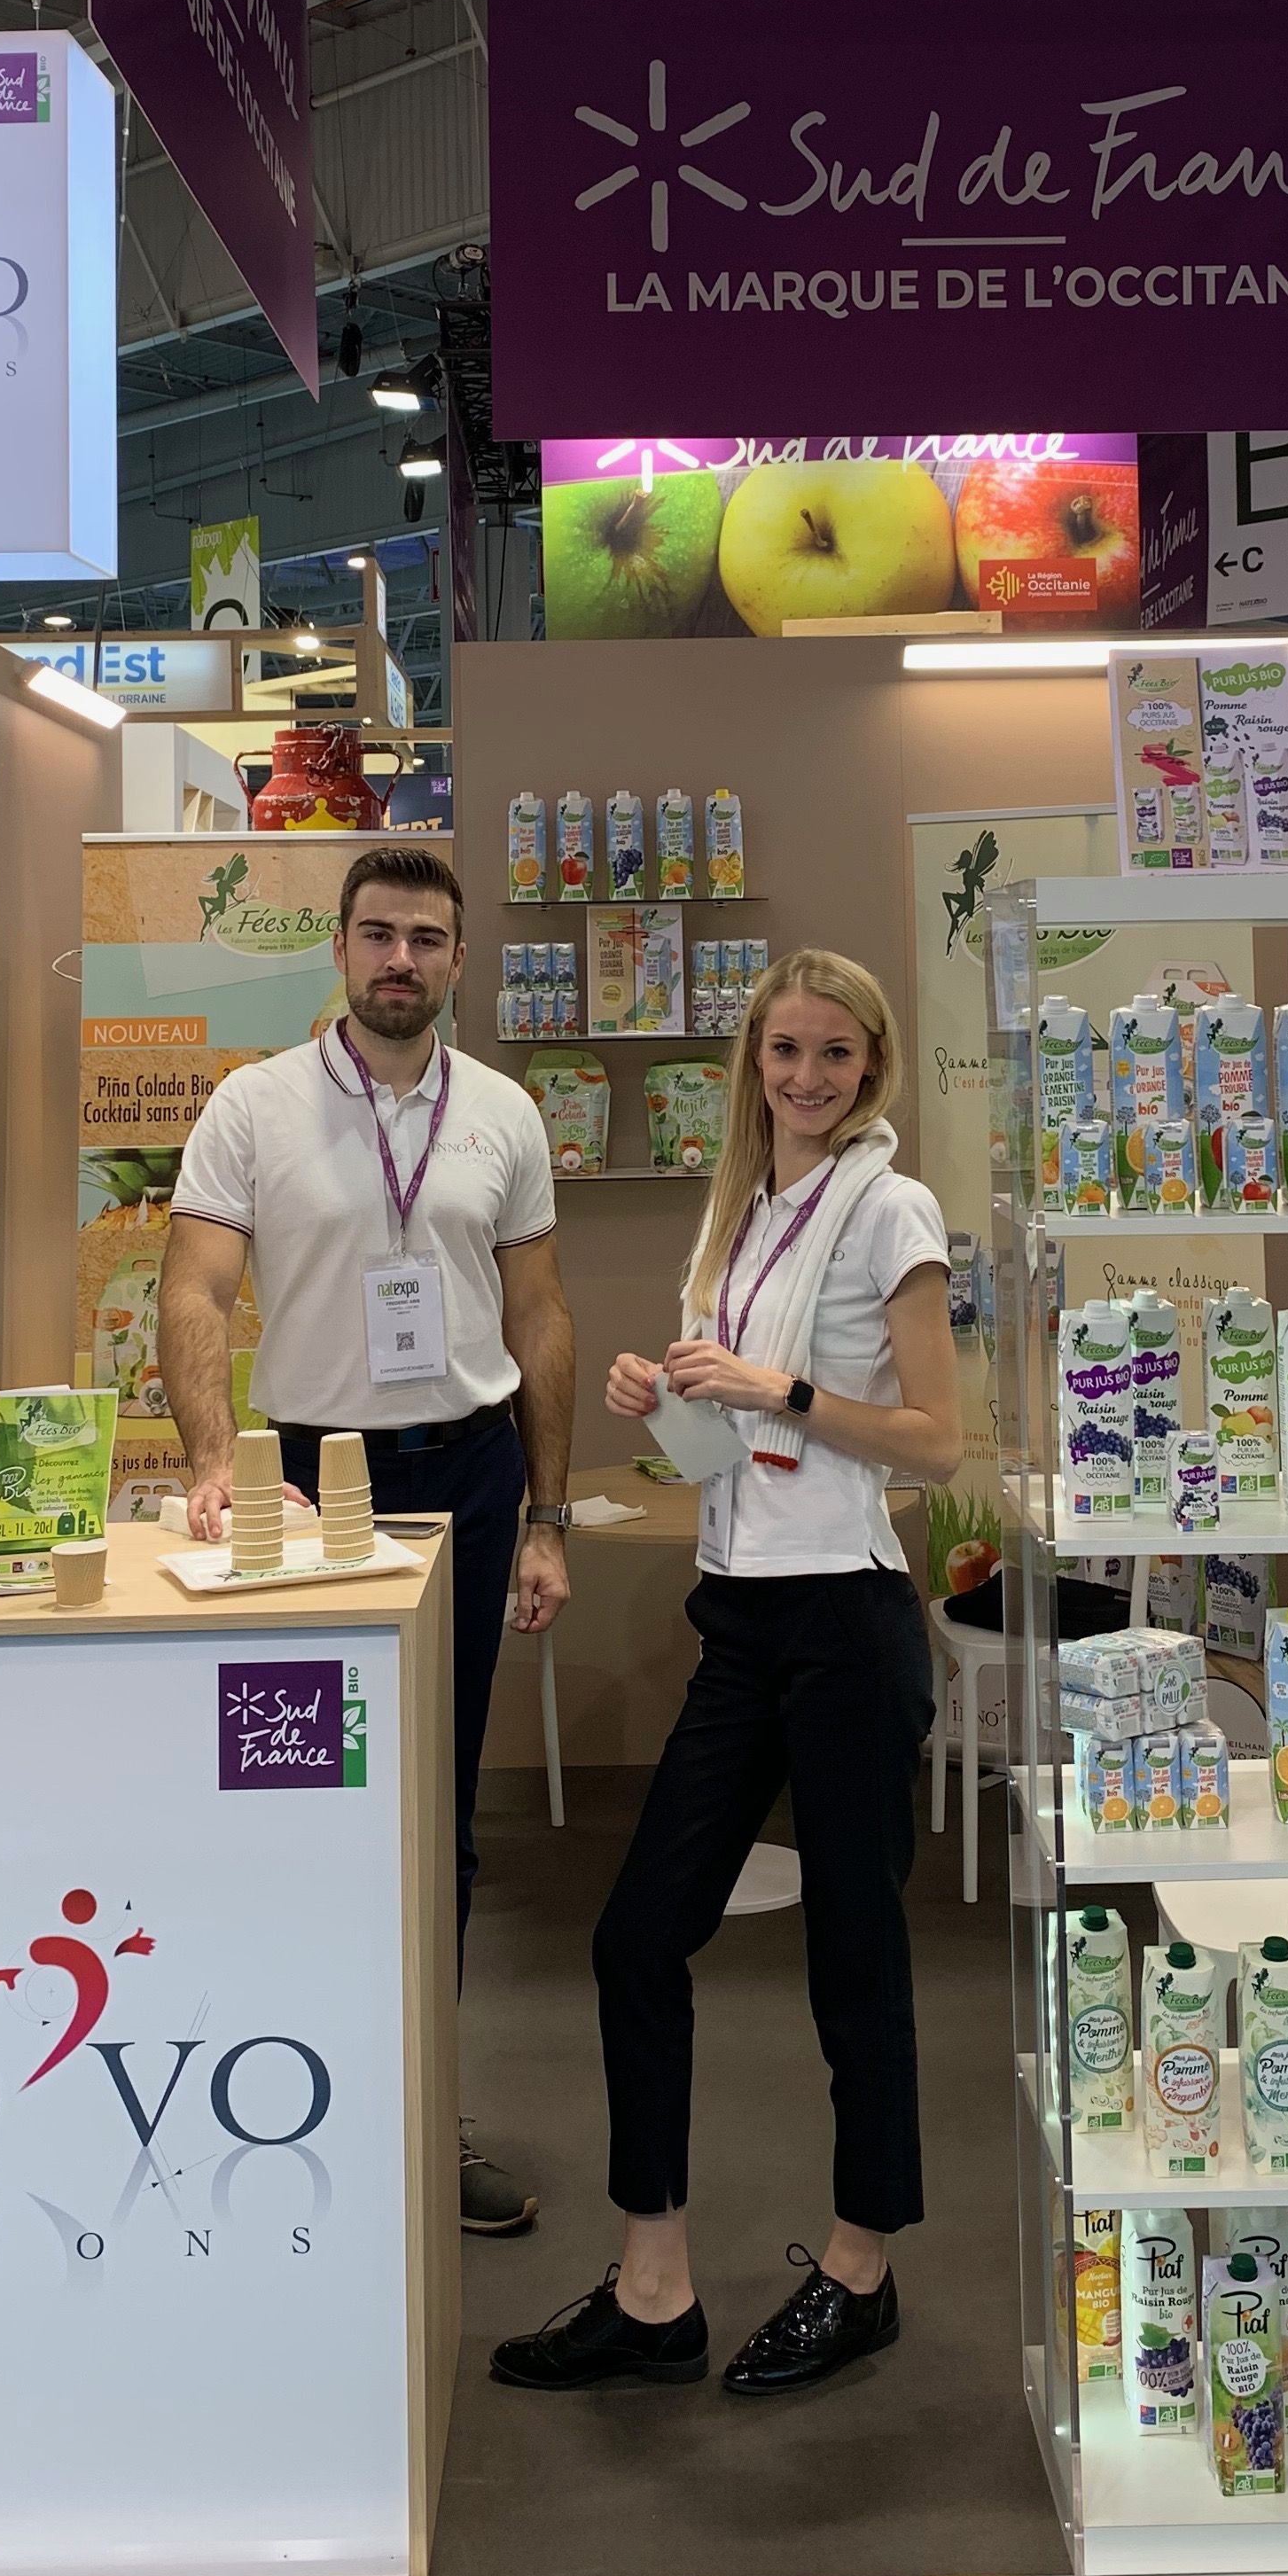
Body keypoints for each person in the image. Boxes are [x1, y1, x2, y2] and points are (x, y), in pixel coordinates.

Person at [490, 948, 959, 2400]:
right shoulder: (742, 1213)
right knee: (638, 1938)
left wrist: (782, 1391)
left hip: (848, 1625)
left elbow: (936, 1439)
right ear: (754, 1062)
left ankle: (862, 2271)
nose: (807, 1077)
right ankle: (655, 2292)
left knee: (855, 1962)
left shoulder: (891, 1207)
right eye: (785, 1051)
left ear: (872, 1068)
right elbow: (733, 1438)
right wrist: (668, 1391)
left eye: (835, 1054)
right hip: (741, 1618)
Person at [159, 844, 575, 2239]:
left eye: (427, 939)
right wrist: (215, 1464)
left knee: (437, 1817)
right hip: (307, 1488)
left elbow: (541, 1318)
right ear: (339, 949)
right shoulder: (255, 1105)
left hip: (468, 1481)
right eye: (379, 934)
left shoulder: (503, 1113)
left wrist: (548, 1517)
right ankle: (287, 2104)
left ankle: (419, 2120)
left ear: (458, 961)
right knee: (297, 1803)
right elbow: (195, 1290)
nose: (402, 959)